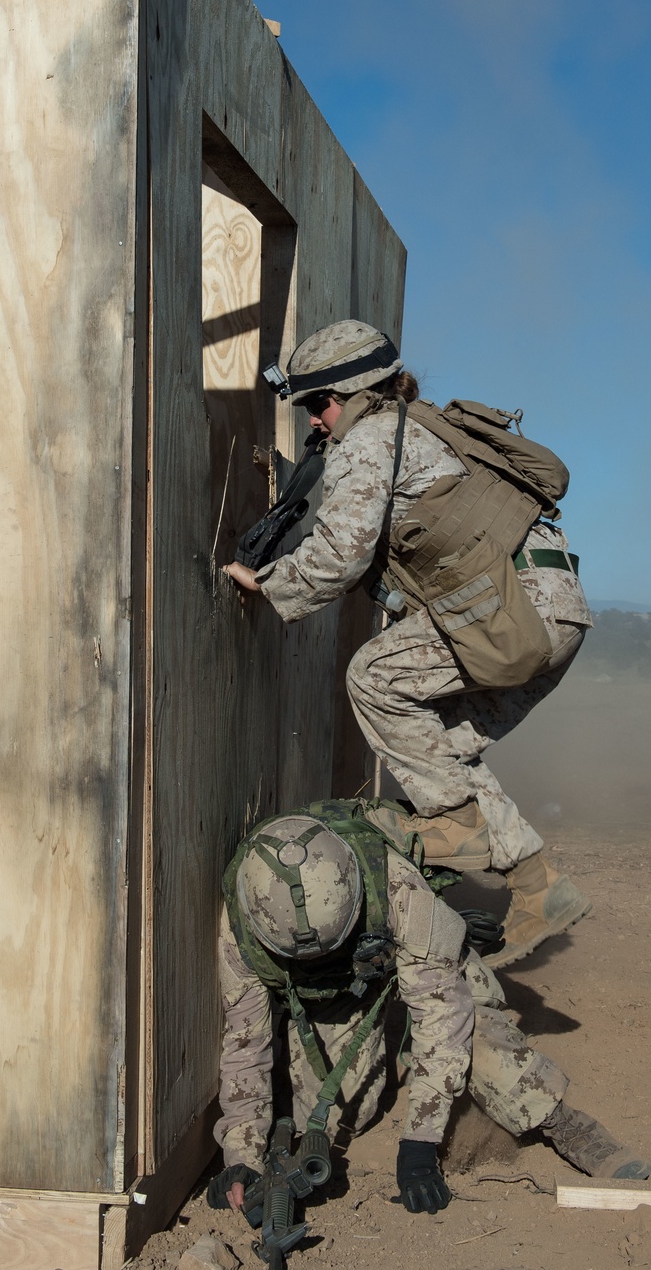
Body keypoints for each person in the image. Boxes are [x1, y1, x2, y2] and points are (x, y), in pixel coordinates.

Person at [224, 320, 592, 966]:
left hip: (511, 614)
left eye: (320, 403)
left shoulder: (371, 441)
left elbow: (341, 553)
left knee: (374, 677)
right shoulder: (419, 425)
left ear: (357, 392)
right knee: (440, 752)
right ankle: (539, 888)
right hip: (553, 613)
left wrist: (266, 582)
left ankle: (453, 823)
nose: (316, 420)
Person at [209, 803, 650, 1214]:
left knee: (473, 1035)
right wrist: (242, 1154)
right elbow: (246, 1047)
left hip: (417, 960)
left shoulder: (399, 890)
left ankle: (564, 1123)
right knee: (340, 1119)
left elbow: (444, 1016)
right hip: (337, 995)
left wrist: (420, 1142)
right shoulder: (244, 929)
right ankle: (396, 1031)